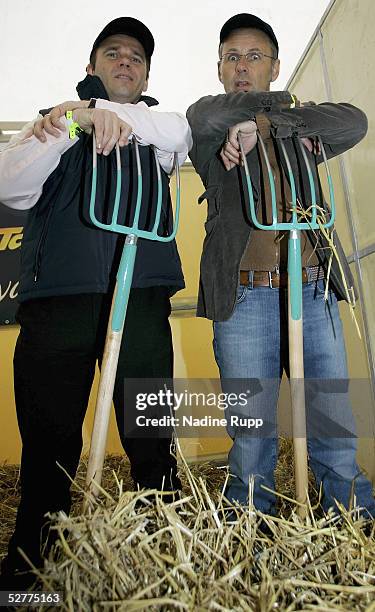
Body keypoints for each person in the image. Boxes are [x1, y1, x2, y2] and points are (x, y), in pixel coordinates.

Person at [0, 17, 192, 589]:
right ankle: (36, 562)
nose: (126, 61)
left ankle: (164, 545)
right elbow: (11, 185)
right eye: (114, 53)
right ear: (92, 67)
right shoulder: (51, 125)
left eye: (137, 56)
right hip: (59, 301)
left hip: (139, 297)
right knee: (49, 435)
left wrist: (105, 114)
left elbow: (181, 134)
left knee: (149, 428)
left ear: (147, 72)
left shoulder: (162, 128)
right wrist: (72, 122)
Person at [187, 13, 374, 518]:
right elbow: (204, 120)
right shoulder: (209, 118)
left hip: (313, 291)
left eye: (255, 57)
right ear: (220, 68)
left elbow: (354, 121)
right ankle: (252, 526)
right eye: (232, 57)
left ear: (274, 65)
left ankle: (353, 520)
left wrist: (267, 125)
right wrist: (268, 116)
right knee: (251, 433)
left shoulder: (301, 120)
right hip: (245, 297)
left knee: (334, 422)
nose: (242, 66)